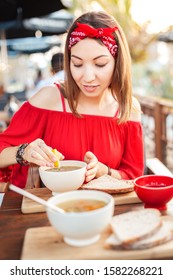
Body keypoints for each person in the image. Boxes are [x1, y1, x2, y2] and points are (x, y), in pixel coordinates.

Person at [0, 11, 144, 189]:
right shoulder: (48, 99)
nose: (88, 77)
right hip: (50, 210)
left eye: (100, 64)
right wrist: (23, 152)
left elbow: (132, 177)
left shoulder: (129, 109)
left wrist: (103, 171)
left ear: (118, 62)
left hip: (108, 211)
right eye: (77, 64)